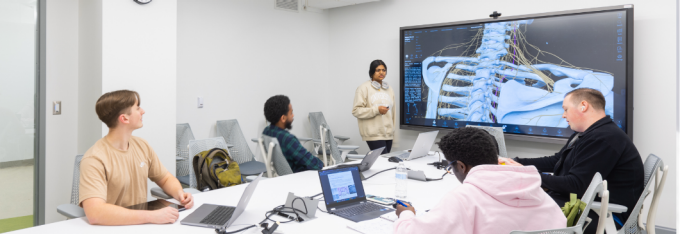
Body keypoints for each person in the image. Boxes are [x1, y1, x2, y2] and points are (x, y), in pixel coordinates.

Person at [500, 88, 643, 233]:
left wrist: (527, 174)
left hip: (603, 216)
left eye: (566, 109)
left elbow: (576, 185)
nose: (563, 115)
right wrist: (516, 162)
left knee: (516, 210)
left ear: (583, 106)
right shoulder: (588, 134)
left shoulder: (605, 138)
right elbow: (557, 160)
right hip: (587, 204)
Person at [393, 127, 566, 234]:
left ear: (461, 166)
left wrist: (406, 214)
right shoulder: (534, 188)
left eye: (451, 166)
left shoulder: (463, 198)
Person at [79, 90, 194, 225]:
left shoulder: (142, 145)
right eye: (137, 108)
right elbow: (95, 213)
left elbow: (165, 178)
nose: (143, 111)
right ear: (124, 118)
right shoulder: (94, 159)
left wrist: (180, 194)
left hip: (140, 225)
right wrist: (151, 216)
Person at [263, 95, 324, 172]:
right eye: (291, 112)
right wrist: (321, 164)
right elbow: (310, 162)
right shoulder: (288, 139)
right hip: (298, 176)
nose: (293, 115)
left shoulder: (266, 131)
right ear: (283, 118)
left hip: (281, 174)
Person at [352, 60, 395, 154]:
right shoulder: (363, 88)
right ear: (371, 72)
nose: (381, 72)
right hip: (374, 134)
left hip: (388, 134)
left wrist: (393, 131)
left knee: (384, 162)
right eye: (378, 70)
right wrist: (377, 110)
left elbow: (393, 113)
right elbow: (356, 111)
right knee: (383, 162)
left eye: (384, 70)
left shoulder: (389, 89)